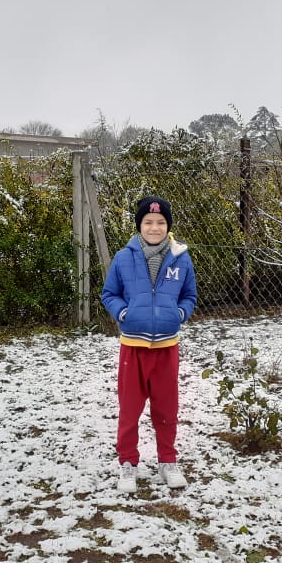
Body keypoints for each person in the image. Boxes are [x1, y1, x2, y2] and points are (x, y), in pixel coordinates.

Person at [101, 195, 197, 493]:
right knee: (130, 409)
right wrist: (123, 312)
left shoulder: (181, 258)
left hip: (167, 348)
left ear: (168, 226)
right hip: (133, 346)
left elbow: (189, 296)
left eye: (160, 222)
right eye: (148, 222)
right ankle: (128, 463)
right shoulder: (123, 257)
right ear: (139, 225)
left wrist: (179, 314)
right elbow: (109, 294)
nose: (154, 227)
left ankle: (168, 461)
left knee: (167, 409)